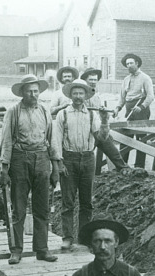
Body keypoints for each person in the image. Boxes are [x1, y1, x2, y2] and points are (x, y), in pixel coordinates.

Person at [0, 74, 59, 264]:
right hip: (19, 159)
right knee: (19, 208)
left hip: (41, 159)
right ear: (22, 93)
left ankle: (42, 249)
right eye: (29, 91)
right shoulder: (13, 112)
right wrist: (4, 168)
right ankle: (16, 250)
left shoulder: (44, 110)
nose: (33, 94)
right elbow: (6, 140)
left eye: (36, 91)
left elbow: (52, 139)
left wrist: (55, 166)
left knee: (42, 208)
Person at [52, 79, 110, 251]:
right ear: (70, 95)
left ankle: (84, 239)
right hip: (68, 159)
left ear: (86, 96)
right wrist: (59, 162)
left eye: (81, 93)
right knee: (68, 202)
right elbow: (56, 140)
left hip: (87, 159)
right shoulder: (63, 114)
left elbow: (101, 138)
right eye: (75, 93)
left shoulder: (91, 115)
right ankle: (67, 238)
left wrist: (105, 121)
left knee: (86, 203)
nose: (78, 97)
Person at [81, 67, 128, 174]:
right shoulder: (81, 94)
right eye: (91, 80)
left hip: (97, 129)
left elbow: (100, 112)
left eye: (95, 80)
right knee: (85, 155)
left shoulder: (96, 95)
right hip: (85, 131)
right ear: (85, 80)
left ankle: (123, 168)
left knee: (110, 147)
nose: (93, 82)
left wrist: (106, 113)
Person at [113, 53, 155, 168]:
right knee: (125, 137)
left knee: (141, 138)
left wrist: (141, 107)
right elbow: (122, 97)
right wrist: (117, 108)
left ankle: (139, 167)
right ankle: (122, 165)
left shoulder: (145, 78)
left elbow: (151, 96)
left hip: (141, 110)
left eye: (131, 63)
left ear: (137, 63)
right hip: (129, 110)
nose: (129, 66)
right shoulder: (126, 79)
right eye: (127, 64)